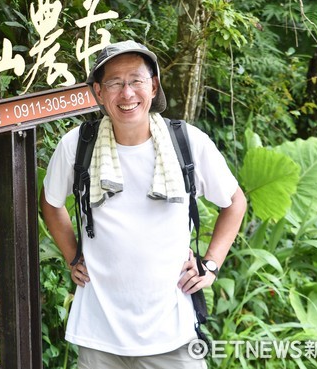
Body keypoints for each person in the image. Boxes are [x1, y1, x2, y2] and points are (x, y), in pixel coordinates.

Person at [40, 40, 247, 369]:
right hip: (99, 331)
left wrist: (210, 265)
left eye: (136, 80)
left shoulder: (188, 142)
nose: (127, 94)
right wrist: (72, 256)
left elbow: (234, 202)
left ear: (153, 86)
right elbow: (51, 204)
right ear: (98, 91)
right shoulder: (77, 145)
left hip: (173, 331)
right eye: (114, 83)